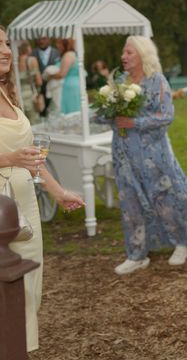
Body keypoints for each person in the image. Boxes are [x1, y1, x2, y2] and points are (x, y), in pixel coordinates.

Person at [0, 25, 84, 352]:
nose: (6, 50)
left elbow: (31, 155)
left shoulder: (7, 91)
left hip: (26, 214)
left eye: (6, 43)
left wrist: (58, 192)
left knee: (27, 293)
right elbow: (17, 156)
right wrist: (9, 158)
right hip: (2, 218)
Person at [108, 35, 187, 275]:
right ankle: (136, 254)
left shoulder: (157, 81)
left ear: (142, 55)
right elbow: (110, 114)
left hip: (153, 155)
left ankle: (184, 241)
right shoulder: (119, 81)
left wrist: (133, 122)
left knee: (165, 198)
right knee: (130, 201)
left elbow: (165, 116)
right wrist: (106, 112)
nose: (123, 57)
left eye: (129, 53)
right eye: (123, 53)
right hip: (123, 153)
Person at [46, 38, 81, 114]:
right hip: (75, 83)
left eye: (59, 43)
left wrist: (50, 76)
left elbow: (62, 74)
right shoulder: (73, 54)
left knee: (71, 111)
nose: (57, 45)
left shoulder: (68, 56)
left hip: (69, 86)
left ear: (65, 44)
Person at [31, 36, 60, 116]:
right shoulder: (32, 53)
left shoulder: (57, 53)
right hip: (38, 91)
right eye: (39, 39)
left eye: (44, 39)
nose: (41, 41)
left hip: (54, 89)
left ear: (49, 39)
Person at [17, 40, 42, 123]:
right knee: (34, 122)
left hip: (17, 96)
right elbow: (39, 82)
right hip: (30, 96)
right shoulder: (32, 60)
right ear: (27, 48)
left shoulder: (14, 62)